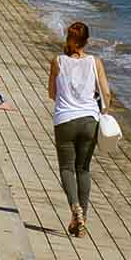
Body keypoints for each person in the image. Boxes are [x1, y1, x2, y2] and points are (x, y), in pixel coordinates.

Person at [49, 21, 112, 237]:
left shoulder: (58, 61)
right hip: (89, 121)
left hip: (65, 120)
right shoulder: (95, 62)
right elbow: (106, 94)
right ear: (87, 41)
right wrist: (103, 112)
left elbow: (51, 93)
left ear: (68, 37)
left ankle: (75, 208)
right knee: (83, 169)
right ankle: (81, 220)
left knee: (66, 168)